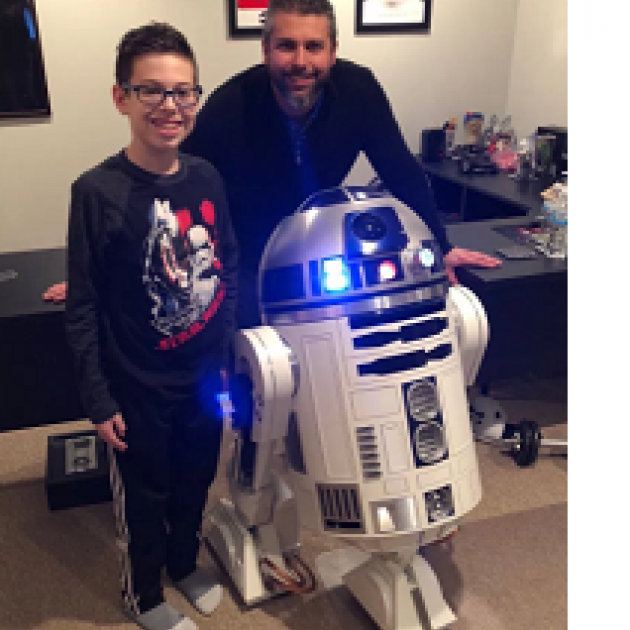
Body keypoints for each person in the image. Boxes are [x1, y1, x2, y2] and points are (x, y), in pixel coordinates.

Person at [44, 0, 500, 325]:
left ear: (332, 51)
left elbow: (401, 171)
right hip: (247, 255)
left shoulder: (359, 90)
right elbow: (172, 184)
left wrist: (440, 243)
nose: (300, 61)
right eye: (286, 46)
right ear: (265, 51)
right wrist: (103, 272)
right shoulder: (228, 106)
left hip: (321, 248)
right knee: (257, 381)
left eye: (313, 47)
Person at [64, 23, 238, 630]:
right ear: (122, 98)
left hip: (202, 379)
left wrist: (226, 354)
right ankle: (144, 594)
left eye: (184, 92)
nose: (172, 106)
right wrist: (98, 397)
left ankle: (185, 565)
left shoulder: (207, 177)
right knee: (146, 498)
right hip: (137, 388)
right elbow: (83, 303)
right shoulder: (96, 192)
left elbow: (227, 262)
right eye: (154, 91)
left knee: (196, 480)